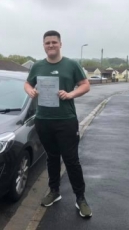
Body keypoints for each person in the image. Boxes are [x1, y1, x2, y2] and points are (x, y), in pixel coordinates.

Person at [24, 30, 92, 218]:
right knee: (52, 158)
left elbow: (85, 85)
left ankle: (81, 198)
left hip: (66, 121)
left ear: (60, 44)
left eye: (54, 42)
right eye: (47, 43)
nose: (51, 45)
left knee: (71, 160)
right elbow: (27, 84)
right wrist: (30, 91)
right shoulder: (37, 66)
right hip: (43, 121)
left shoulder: (71, 64)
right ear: (43, 45)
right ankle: (54, 191)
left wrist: (70, 94)